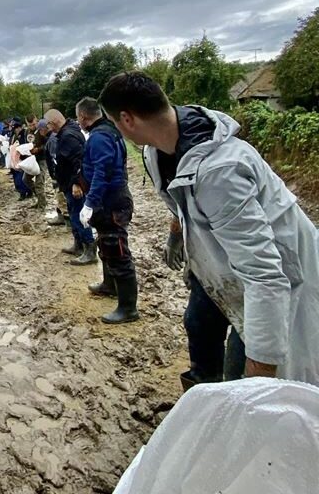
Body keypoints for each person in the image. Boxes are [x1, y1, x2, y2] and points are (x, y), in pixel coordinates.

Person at [100, 71, 319, 382]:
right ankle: (203, 390)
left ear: (127, 119)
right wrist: (177, 235)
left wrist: (259, 378)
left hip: (276, 276)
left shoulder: (221, 172)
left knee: (245, 362)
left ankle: (235, 403)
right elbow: (181, 201)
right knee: (198, 323)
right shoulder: (156, 151)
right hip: (222, 263)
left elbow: (265, 275)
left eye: (114, 122)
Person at [74, 96, 138, 324]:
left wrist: (90, 202)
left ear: (83, 117)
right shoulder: (110, 132)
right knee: (106, 244)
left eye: (78, 118)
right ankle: (109, 285)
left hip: (110, 200)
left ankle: (128, 308)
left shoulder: (99, 138)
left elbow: (103, 172)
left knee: (117, 249)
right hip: (111, 198)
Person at [44, 108, 96, 254]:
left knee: (79, 215)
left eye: (48, 124)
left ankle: (89, 249)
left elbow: (79, 161)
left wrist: (76, 183)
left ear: (53, 122)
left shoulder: (68, 136)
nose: (48, 128)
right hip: (67, 183)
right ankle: (78, 245)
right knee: (74, 215)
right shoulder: (67, 132)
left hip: (74, 185)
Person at [25, 119, 49, 210]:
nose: (32, 126)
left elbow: (47, 143)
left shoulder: (41, 130)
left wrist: (38, 149)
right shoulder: (27, 132)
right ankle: (40, 199)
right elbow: (26, 143)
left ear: (36, 121)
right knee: (26, 179)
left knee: (39, 182)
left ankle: (42, 204)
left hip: (42, 159)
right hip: (32, 159)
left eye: (33, 124)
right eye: (29, 125)